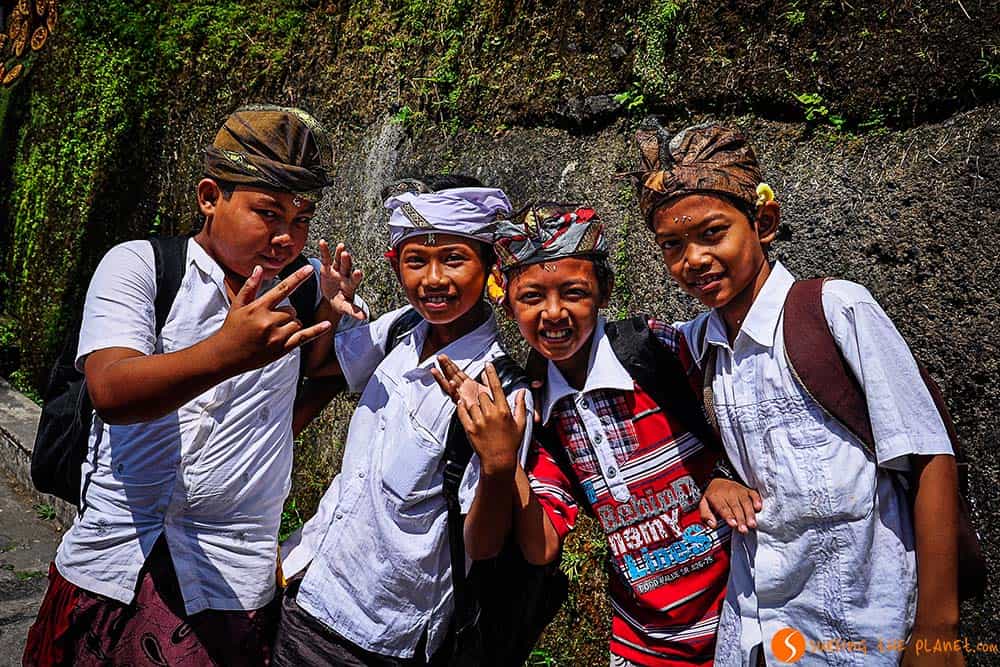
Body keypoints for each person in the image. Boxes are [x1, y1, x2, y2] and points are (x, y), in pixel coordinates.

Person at [23, 104, 366, 667]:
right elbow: (112, 390)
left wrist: (331, 340)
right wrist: (227, 353)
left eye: (301, 219)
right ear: (210, 197)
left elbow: (279, 414)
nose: (286, 237)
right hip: (112, 562)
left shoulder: (302, 294)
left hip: (228, 581)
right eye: (268, 213)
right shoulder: (141, 267)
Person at [633, 121, 963, 666]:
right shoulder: (696, 348)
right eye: (672, 244)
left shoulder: (836, 311)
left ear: (763, 221)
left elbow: (930, 456)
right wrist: (714, 476)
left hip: (865, 627)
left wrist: (938, 630)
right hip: (759, 629)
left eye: (713, 233)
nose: (692, 259)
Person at [434, 202, 750, 667]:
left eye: (574, 292)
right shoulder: (536, 411)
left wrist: (726, 472)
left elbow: (749, 414)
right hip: (642, 644)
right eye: (532, 297)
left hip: (743, 618)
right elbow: (538, 547)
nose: (553, 313)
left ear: (603, 292)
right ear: (507, 303)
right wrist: (499, 460)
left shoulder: (660, 350)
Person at [274, 178, 532, 666]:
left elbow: (483, 544)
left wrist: (499, 468)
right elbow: (326, 367)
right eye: (416, 261)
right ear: (396, 266)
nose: (433, 279)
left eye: (454, 259)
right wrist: (334, 306)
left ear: (490, 268)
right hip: (307, 581)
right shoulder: (401, 330)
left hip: (376, 634)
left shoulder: (500, 391)